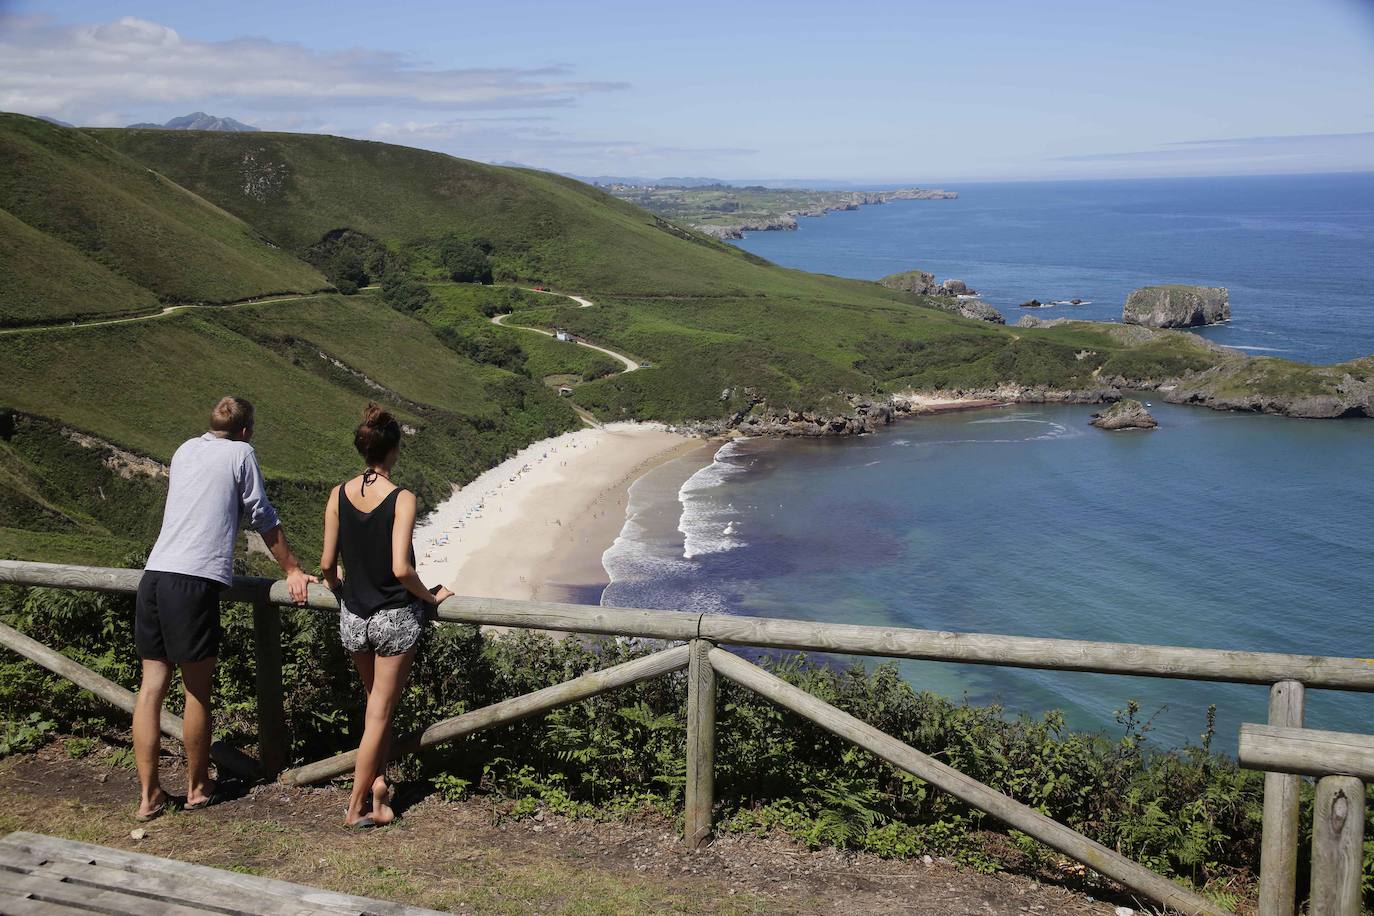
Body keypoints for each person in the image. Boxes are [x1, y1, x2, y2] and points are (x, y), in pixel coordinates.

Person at [133, 396, 314, 821]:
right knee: (196, 689)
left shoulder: (183, 449)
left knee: (150, 689)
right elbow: (262, 515)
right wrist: (292, 568)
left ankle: (149, 796)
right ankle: (197, 787)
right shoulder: (241, 453)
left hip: (154, 575)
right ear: (246, 430)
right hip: (192, 581)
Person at [320, 404, 452, 827]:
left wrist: (342, 589)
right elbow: (401, 568)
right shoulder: (402, 498)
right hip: (393, 616)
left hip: (353, 616)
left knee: (376, 708)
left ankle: (379, 791)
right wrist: (431, 599)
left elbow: (326, 565)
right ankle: (355, 806)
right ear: (393, 450)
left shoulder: (338, 493)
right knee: (379, 711)